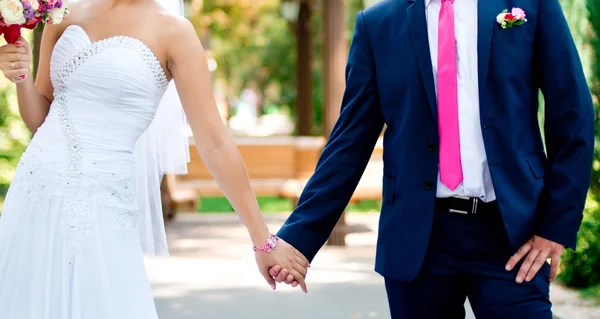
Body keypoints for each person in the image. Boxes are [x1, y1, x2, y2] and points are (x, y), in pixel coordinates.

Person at [269, 0, 594, 318]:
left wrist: (555, 226)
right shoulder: (378, 24)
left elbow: (573, 114)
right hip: (418, 240)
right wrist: (297, 238)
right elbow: (349, 142)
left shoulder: (531, 5)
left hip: (511, 235)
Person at [0, 0, 308, 318]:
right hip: (33, 193)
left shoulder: (174, 32)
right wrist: (20, 77)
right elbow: (41, 119)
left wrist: (262, 239)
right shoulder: (63, 13)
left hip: (101, 207)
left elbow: (214, 142)